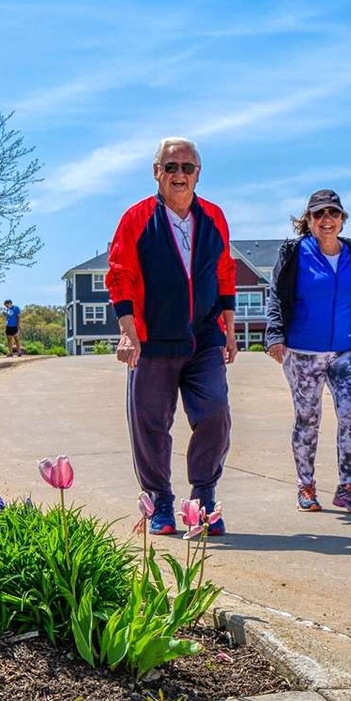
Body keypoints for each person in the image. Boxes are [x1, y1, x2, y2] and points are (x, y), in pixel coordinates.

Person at [106, 136, 235, 537]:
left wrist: (229, 331)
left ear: (198, 173)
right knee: (149, 423)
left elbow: (225, 273)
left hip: (203, 340)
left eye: (187, 167)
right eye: (171, 167)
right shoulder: (137, 218)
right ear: (156, 172)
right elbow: (120, 275)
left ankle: (203, 497)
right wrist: (128, 333)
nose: (180, 174)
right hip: (153, 341)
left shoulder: (213, 216)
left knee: (215, 413)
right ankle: (159, 500)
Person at [265, 189, 351, 514]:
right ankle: (306, 486)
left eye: (333, 213)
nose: (326, 220)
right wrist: (275, 335)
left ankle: (347, 486)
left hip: (346, 352)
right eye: (319, 214)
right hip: (302, 352)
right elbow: (277, 296)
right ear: (308, 220)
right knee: (308, 418)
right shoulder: (295, 253)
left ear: (342, 219)